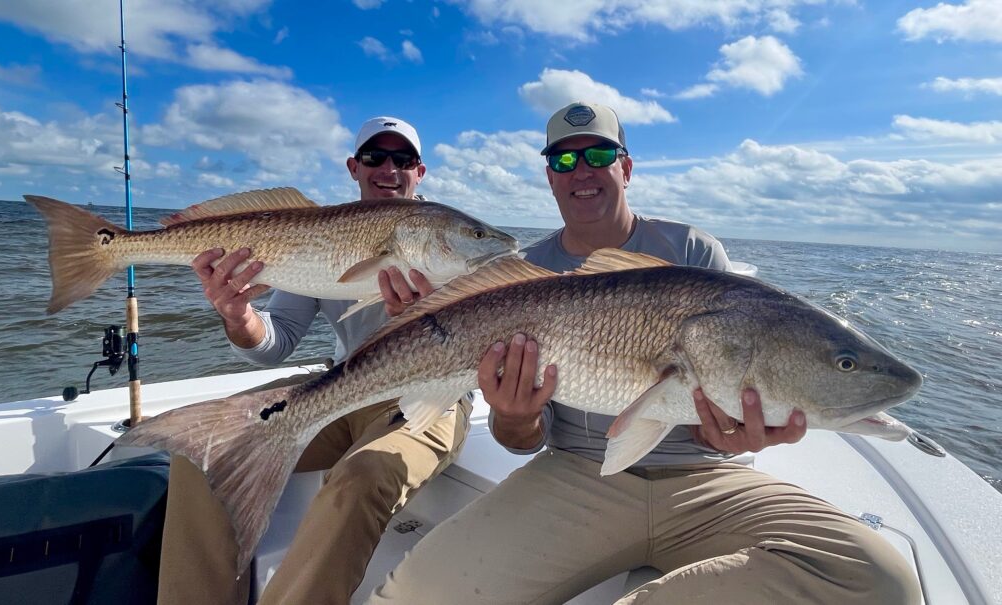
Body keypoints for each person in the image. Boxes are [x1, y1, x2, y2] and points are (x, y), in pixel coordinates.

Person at [368, 103, 921, 604]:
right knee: (414, 597)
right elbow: (520, 442)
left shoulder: (694, 252)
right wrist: (515, 414)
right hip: (576, 475)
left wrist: (729, 436)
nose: (582, 170)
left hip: (704, 482)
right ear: (549, 178)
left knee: (880, 580)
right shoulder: (516, 276)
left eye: (600, 154)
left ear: (626, 169)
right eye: (563, 161)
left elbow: (714, 415)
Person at [157, 117, 472, 605]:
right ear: (354, 167)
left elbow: (487, 334)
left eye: (402, 160)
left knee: (362, 476)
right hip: (340, 386)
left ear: (420, 171)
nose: (388, 169)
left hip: (430, 393)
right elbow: (277, 339)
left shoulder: (453, 238)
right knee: (205, 450)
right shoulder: (321, 234)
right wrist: (238, 315)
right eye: (375, 157)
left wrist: (424, 318)